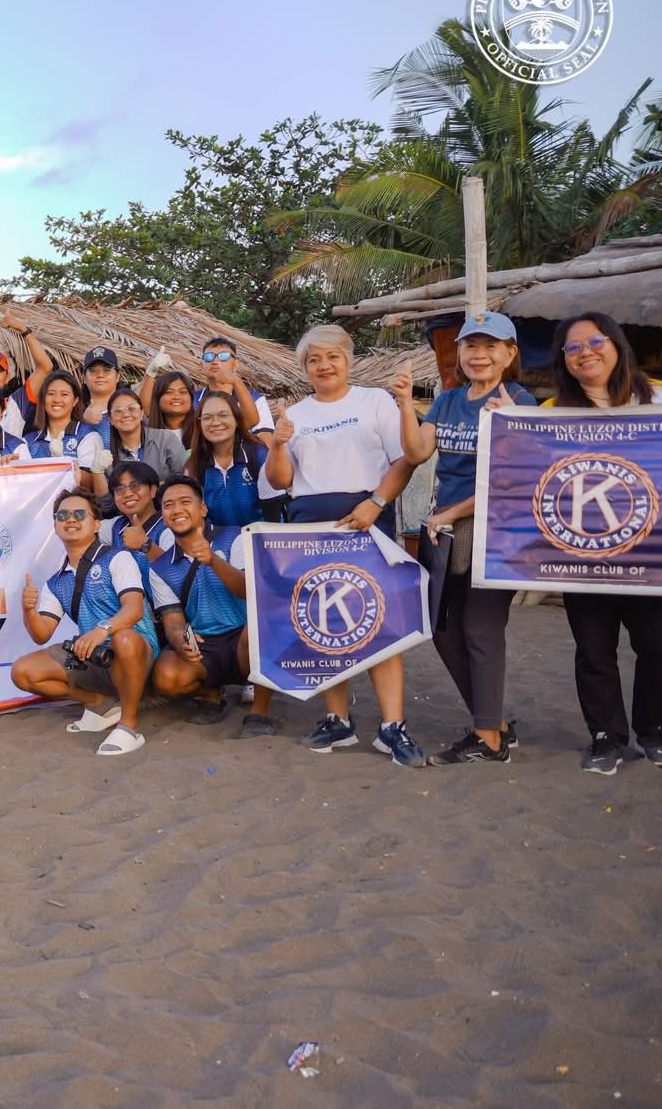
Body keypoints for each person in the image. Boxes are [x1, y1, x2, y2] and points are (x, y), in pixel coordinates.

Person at [265, 323, 427, 767]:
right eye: (314, 359)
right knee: (323, 622)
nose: (324, 365)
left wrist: (376, 503)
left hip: (365, 522)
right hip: (308, 527)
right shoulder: (295, 414)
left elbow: (405, 460)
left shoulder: (375, 401)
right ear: (304, 367)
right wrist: (278, 444)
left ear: (348, 360)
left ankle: (392, 726)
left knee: (379, 620)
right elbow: (281, 481)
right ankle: (338, 719)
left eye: (332, 356)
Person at [401, 311, 535, 765]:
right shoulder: (448, 400)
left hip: (494, 530)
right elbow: (418, 452)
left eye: (490, 345)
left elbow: (513, 479)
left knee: (480, 627)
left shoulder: (520, 402)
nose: (479, 354)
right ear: (458, 353)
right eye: (470, 346)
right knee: (440, 628)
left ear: (509, 353)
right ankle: (491, 722)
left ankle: (488, 738)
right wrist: (404, 403)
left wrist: (515, 425)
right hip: (446, 529)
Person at [544, 311, 660, 773]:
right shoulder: (551, 415)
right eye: (572, 348)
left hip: (649, 555)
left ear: (616, 345)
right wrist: (501, 426)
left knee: (657, 645)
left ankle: (653, 729)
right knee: (594, 651)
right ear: (563, 361)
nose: (584, 352)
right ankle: (607, 737)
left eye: (594, 342)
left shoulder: (656, 402)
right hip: (580, 555)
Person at [12, 488, 157, 755]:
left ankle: (128, 725)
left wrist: (102, 631)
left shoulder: (117, 557)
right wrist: (28, 611)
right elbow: (41, 634)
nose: (71, 519)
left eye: (80, 514)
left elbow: (134, 609)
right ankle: (100, 704)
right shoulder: (56, 581)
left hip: (134, 653)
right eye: (62, 515)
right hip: (97, 657)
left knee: (124, 638)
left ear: (96, 524)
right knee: (23, 671)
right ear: (55, 525)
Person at [146, 476, 251, 725]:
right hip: (204, 643)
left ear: (202, 508)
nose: (177, 510)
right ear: (163, 515)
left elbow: (249, 591)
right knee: (165, 679)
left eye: (185, 502)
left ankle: (261, 708)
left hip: (244, 635)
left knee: (258, 629)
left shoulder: (234, 537)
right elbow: (172, 620)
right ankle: (211, 694)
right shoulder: (160, 567)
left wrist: (214, 561)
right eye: (168, 505)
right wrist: (179, 639)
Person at [185, 391, 270, 529]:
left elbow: (274, 508)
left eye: (223, 415)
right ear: (199, 424)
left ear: (237, 420)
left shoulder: (257, 453)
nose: (215, 422)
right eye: (207, 418)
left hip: (261, 540)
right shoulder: (193, 463)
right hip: (220, 543)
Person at [22, 371, 102, 492]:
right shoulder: (28, 441)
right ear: (43, 400)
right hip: (39, 508)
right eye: (51, 394)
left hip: (74, 508)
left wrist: (63, 464)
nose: (57, 399)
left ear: (75, 401)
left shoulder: (87, 435)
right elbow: (22, 483)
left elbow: (92, 482)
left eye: (64, 394)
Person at [198, 337, 275, 448]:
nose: (215, 361)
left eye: (223, 356)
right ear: (201, 365)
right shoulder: (192, 399)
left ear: (235, 364)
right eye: (209, 357)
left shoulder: (255, 398)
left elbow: (266, 438)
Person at [98, 388, 186, 483]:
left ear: (141, 413)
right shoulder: (107, 453)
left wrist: (152, 487)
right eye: (118, 411)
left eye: (132, 408)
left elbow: (184, 477)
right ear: (110, 419)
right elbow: (105, 496)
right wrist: (97, 471)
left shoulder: (166, 438)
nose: (126, 414)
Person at [98, 461, 171, 559]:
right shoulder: (115, 526)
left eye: (135, 486)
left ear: (153, 490)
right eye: (120, 489)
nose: (128, 494)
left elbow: (176, 571)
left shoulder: (168, 527)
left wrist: (145, 545)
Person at [78, 348, 123, 425]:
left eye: (106, 370)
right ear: (84, 378)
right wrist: (82, 421)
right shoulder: (72, 411)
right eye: (93, 370)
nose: (100, 375)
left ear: (117, 376)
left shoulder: (130, 410)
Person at [149, 368, 198, 436]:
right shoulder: (146, 435)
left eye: (183, 392)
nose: (176, 397)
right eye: (169, 392)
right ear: (158, 398)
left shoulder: (203, 430)